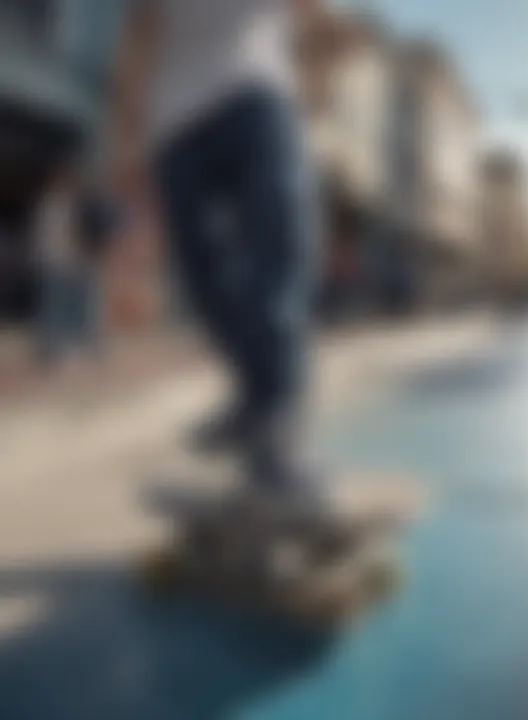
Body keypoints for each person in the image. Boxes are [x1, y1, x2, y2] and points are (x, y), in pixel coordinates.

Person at [121, 0, 320, 498]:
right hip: (175, 124)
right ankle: (255, 397)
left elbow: (314, 18)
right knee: (201, 274)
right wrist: (126, 144)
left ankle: (274, 429)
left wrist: (318, 76)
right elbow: (139, 41)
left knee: (276, 249)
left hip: (256, 97)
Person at [35, 159, 105, 368]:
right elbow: (60, 236)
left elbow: (76, 234)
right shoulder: (55, 205)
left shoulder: (64, 205)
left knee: (74, 305)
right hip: (61, 262)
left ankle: (79, 345)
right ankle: (54, 348)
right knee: (58, 306)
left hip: (67, 262)